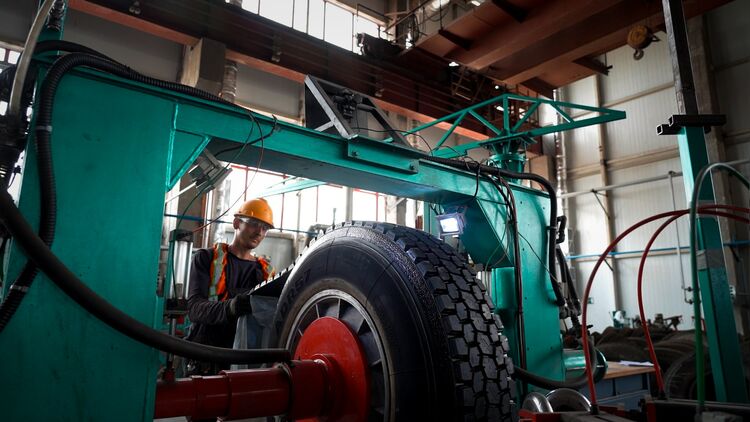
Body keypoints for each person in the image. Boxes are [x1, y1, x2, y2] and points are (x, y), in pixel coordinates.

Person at [185, 198, 275, 375]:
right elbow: (194, 309)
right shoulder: (206, 258)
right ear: (236, 223)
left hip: (246, 361)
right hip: (207, 357)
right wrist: (230, 308)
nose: (259, 232)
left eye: (265, 228)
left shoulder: (266, 273)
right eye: (254, 224)